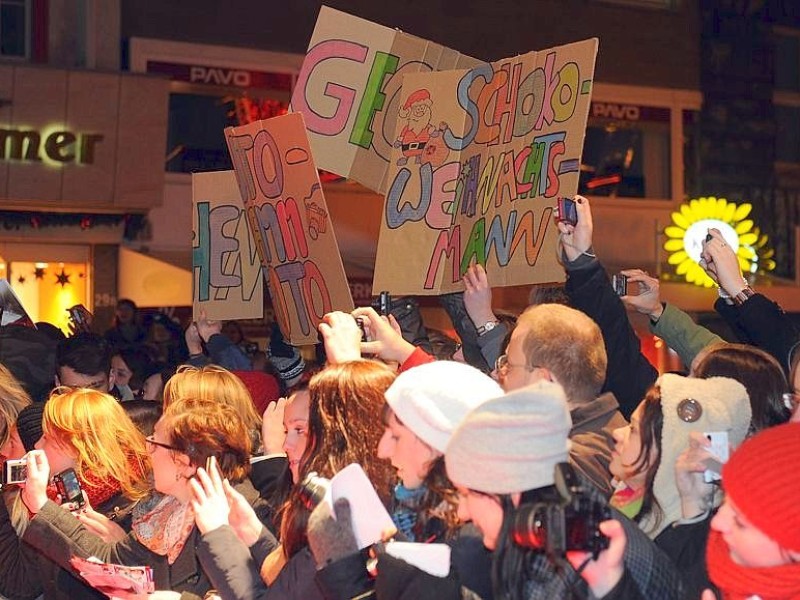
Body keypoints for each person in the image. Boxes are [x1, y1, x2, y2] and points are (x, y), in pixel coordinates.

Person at [445, 381, 685, 600]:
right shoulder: (560, 527)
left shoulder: (573, 565)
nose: (462, 512)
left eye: (468, 494)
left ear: (512, 492)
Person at [20, 396, 272, 599]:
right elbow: (112, 563)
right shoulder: (167, 509)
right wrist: (41, 506)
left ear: (184, 463)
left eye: (155, 442)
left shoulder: (242, 516)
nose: (146, 449)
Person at [0, 388, 150, 600]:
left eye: (46, 438)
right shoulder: (62, 496)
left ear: (75, 446)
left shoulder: (135, 507)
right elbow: (24, 583)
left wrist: (44, 508)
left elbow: (133, 592)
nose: (36, 445)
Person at [609, 374, 751, 597]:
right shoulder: (628, 501)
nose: (617, 433)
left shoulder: (699, 547)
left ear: (669, 452)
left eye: (633, 429)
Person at [495, 302, 628, 496]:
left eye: (508, 364)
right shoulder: (604, 432)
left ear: (543, 383)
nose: (500, 374)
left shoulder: (564, 469)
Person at [704, 422, 800, 599]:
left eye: (740, 522)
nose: (716, 522)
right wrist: (693, 505)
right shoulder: (728, 562)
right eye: (724, 500)